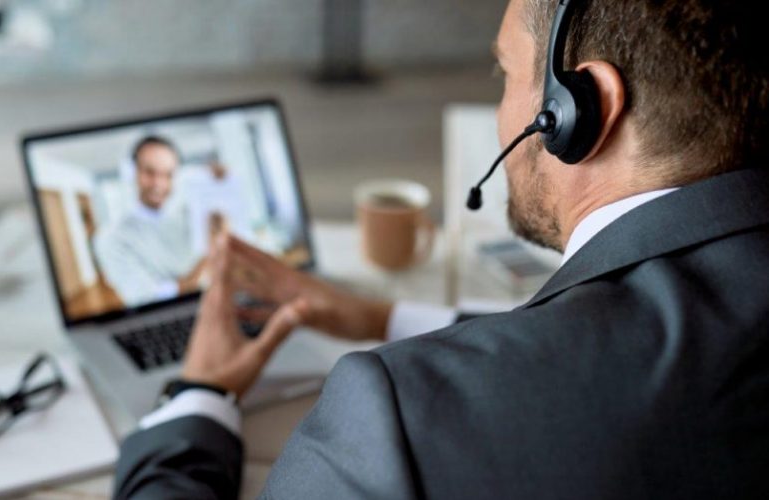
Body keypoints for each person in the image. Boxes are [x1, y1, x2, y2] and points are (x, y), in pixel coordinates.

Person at [113, 0, 769, 498]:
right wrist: (380, 320)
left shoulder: (391, 413)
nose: (500, 108)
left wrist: (198, 393)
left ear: (580, 111)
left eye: (506, 71)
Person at [94, 136, 220, 307]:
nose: (159, 184)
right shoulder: (111, 238)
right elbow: (148, 298)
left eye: (168, 174)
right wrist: (208, 258)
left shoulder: (191, 216)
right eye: (149, 172)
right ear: (132, 173)